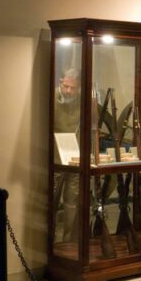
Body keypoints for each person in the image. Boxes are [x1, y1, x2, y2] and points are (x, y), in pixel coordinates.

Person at [54, 68, 81, 243]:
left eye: (73, 88)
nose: (69, 91)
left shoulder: (83, 101)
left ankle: (68, 242)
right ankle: (49, 241)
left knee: (72, 201)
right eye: (66, 86)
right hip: (55, 159)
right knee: (52, 200)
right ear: (60, 82)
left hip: (75, 158)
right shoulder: (52, 98)